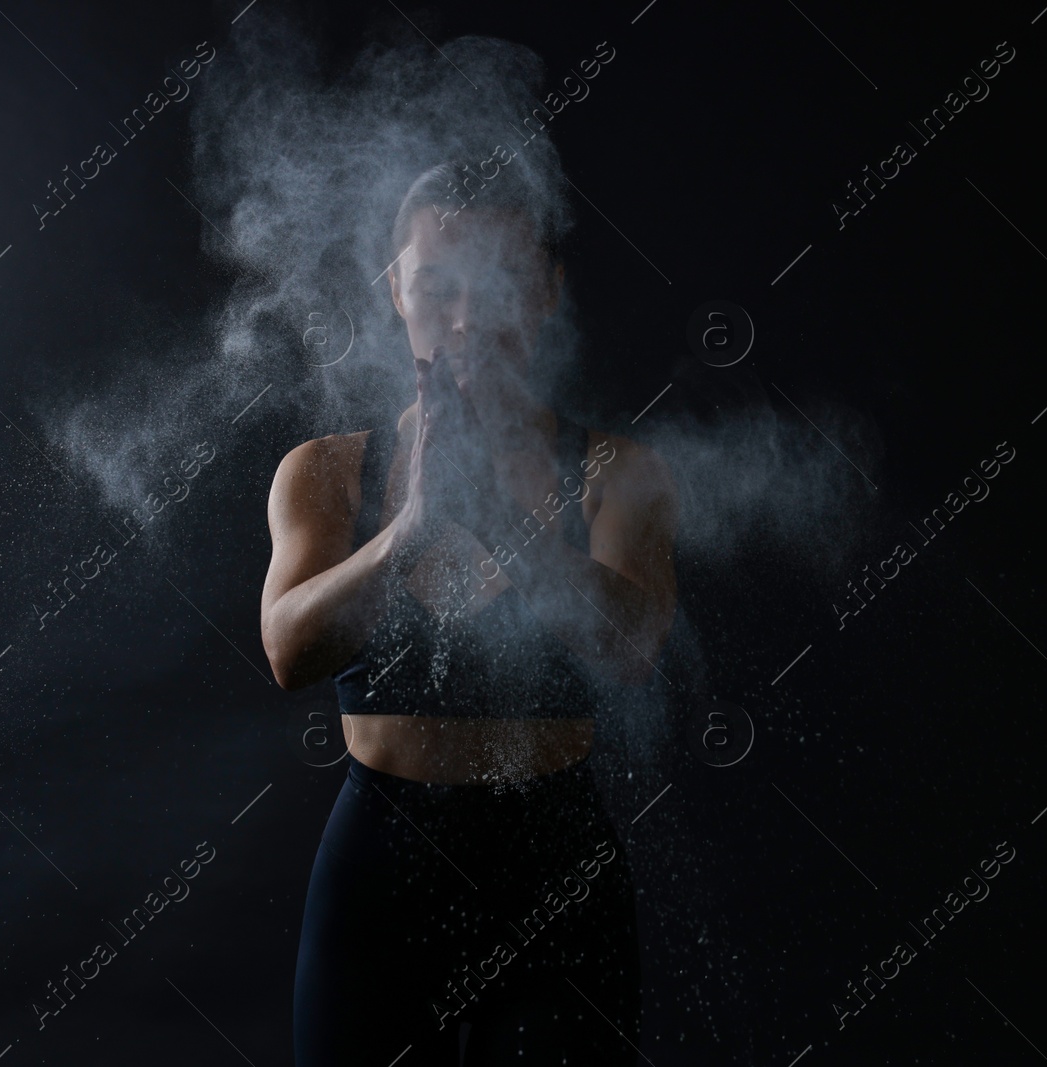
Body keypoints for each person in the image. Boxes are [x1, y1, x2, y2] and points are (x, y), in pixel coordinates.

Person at [261, 158, 679, 1064]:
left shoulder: (615, 470)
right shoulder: (328, 471)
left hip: (555, 865)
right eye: (436, 287)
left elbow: (633, 649)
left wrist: (503, 523)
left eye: (497, 287)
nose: (463, 322)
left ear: (546, 294)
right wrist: (412, 526)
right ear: (394, 290)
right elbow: (290, 650)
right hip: (380, 863)